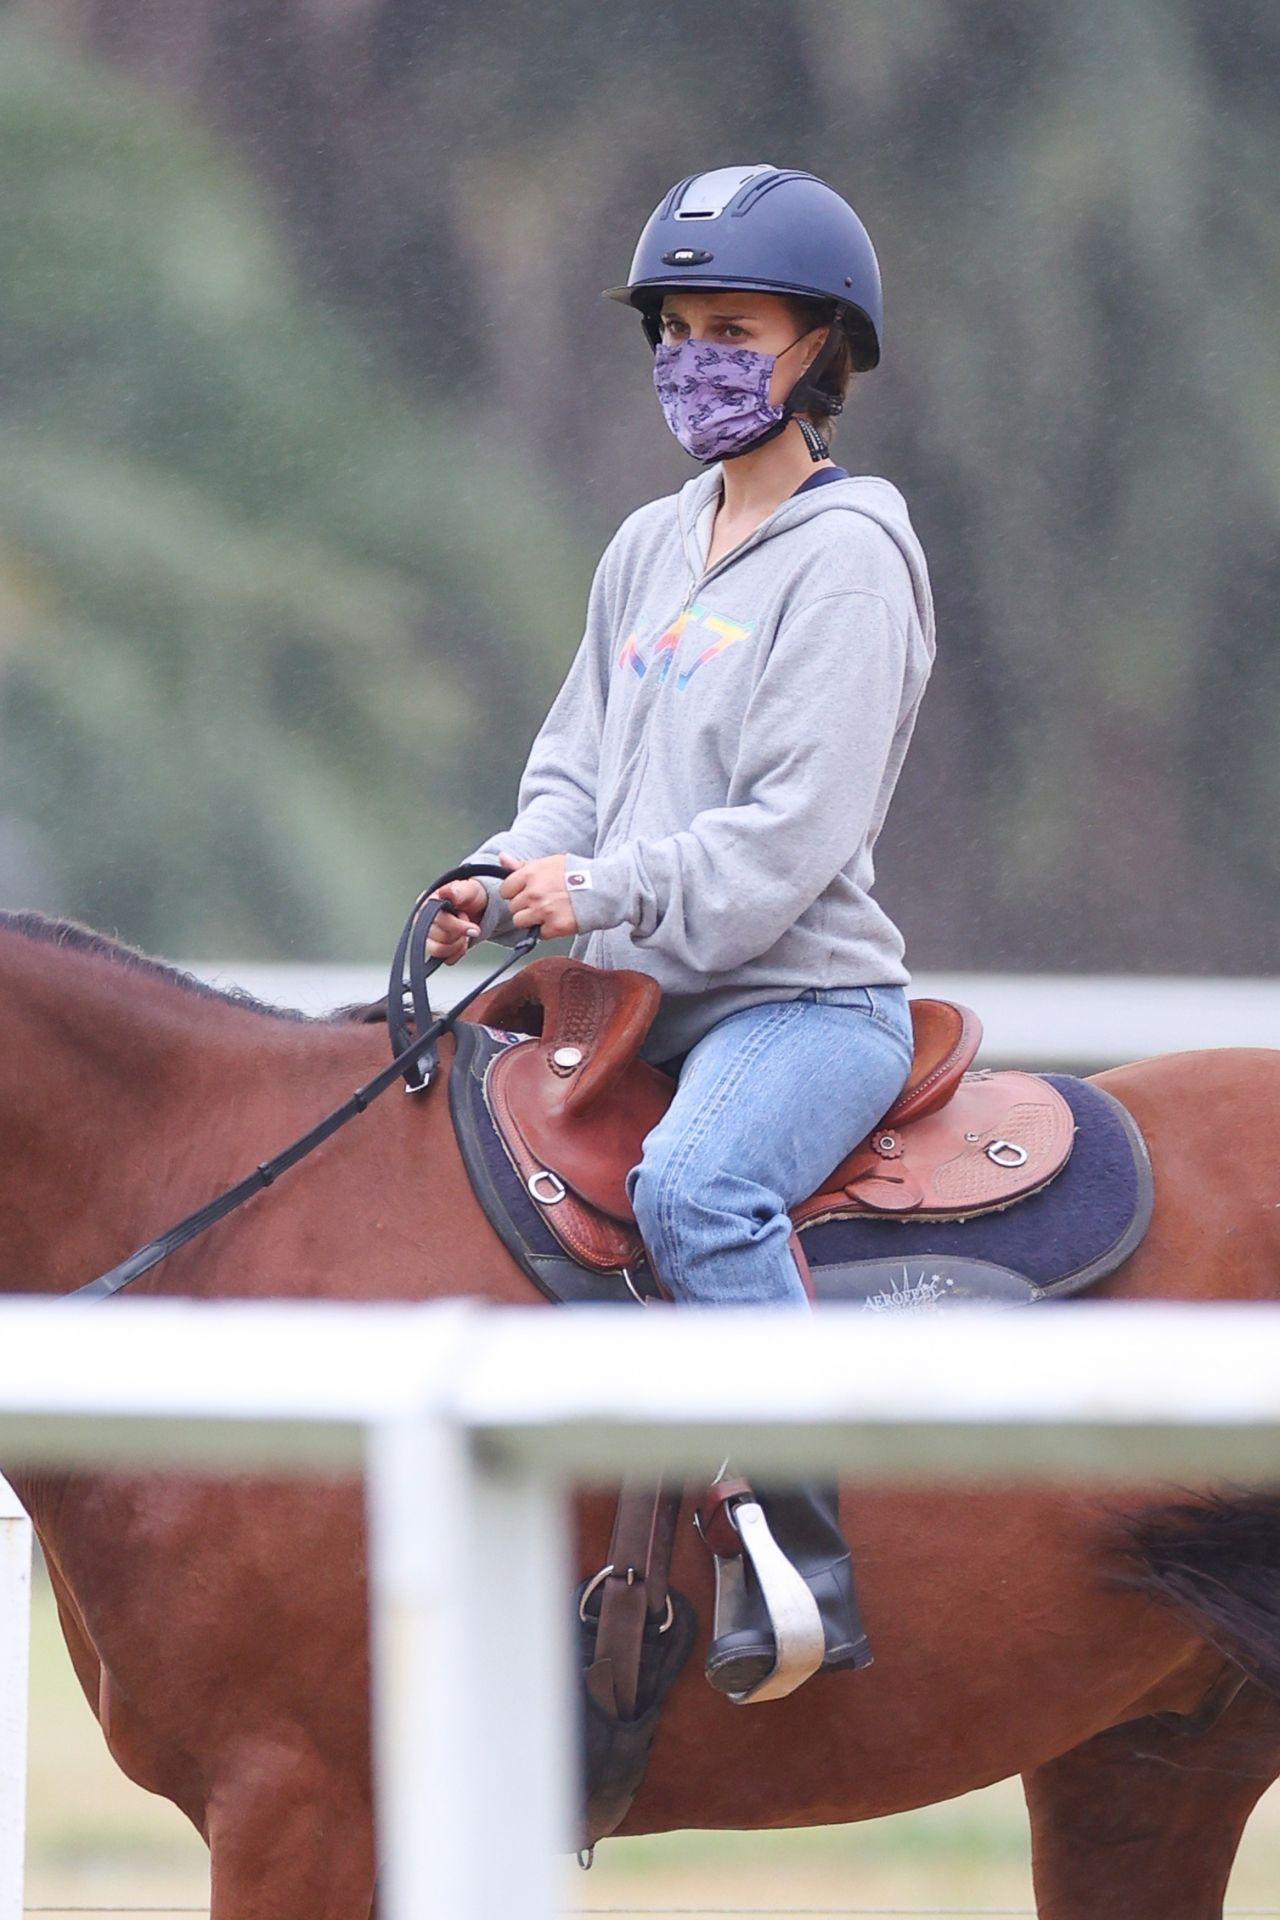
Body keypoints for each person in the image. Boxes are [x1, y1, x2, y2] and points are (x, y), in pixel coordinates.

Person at [427, 164, 935, 1698]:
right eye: (677, 328)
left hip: (798, 1004)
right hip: (631, 992)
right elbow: (574, 767)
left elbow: (793, 837)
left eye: (735, 327)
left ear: (818, 354)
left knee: (700, 1186)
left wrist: (607, 895)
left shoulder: (854, 558)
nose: (697, 358)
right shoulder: (651, 547)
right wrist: (500, 868)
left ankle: (801, 1547)